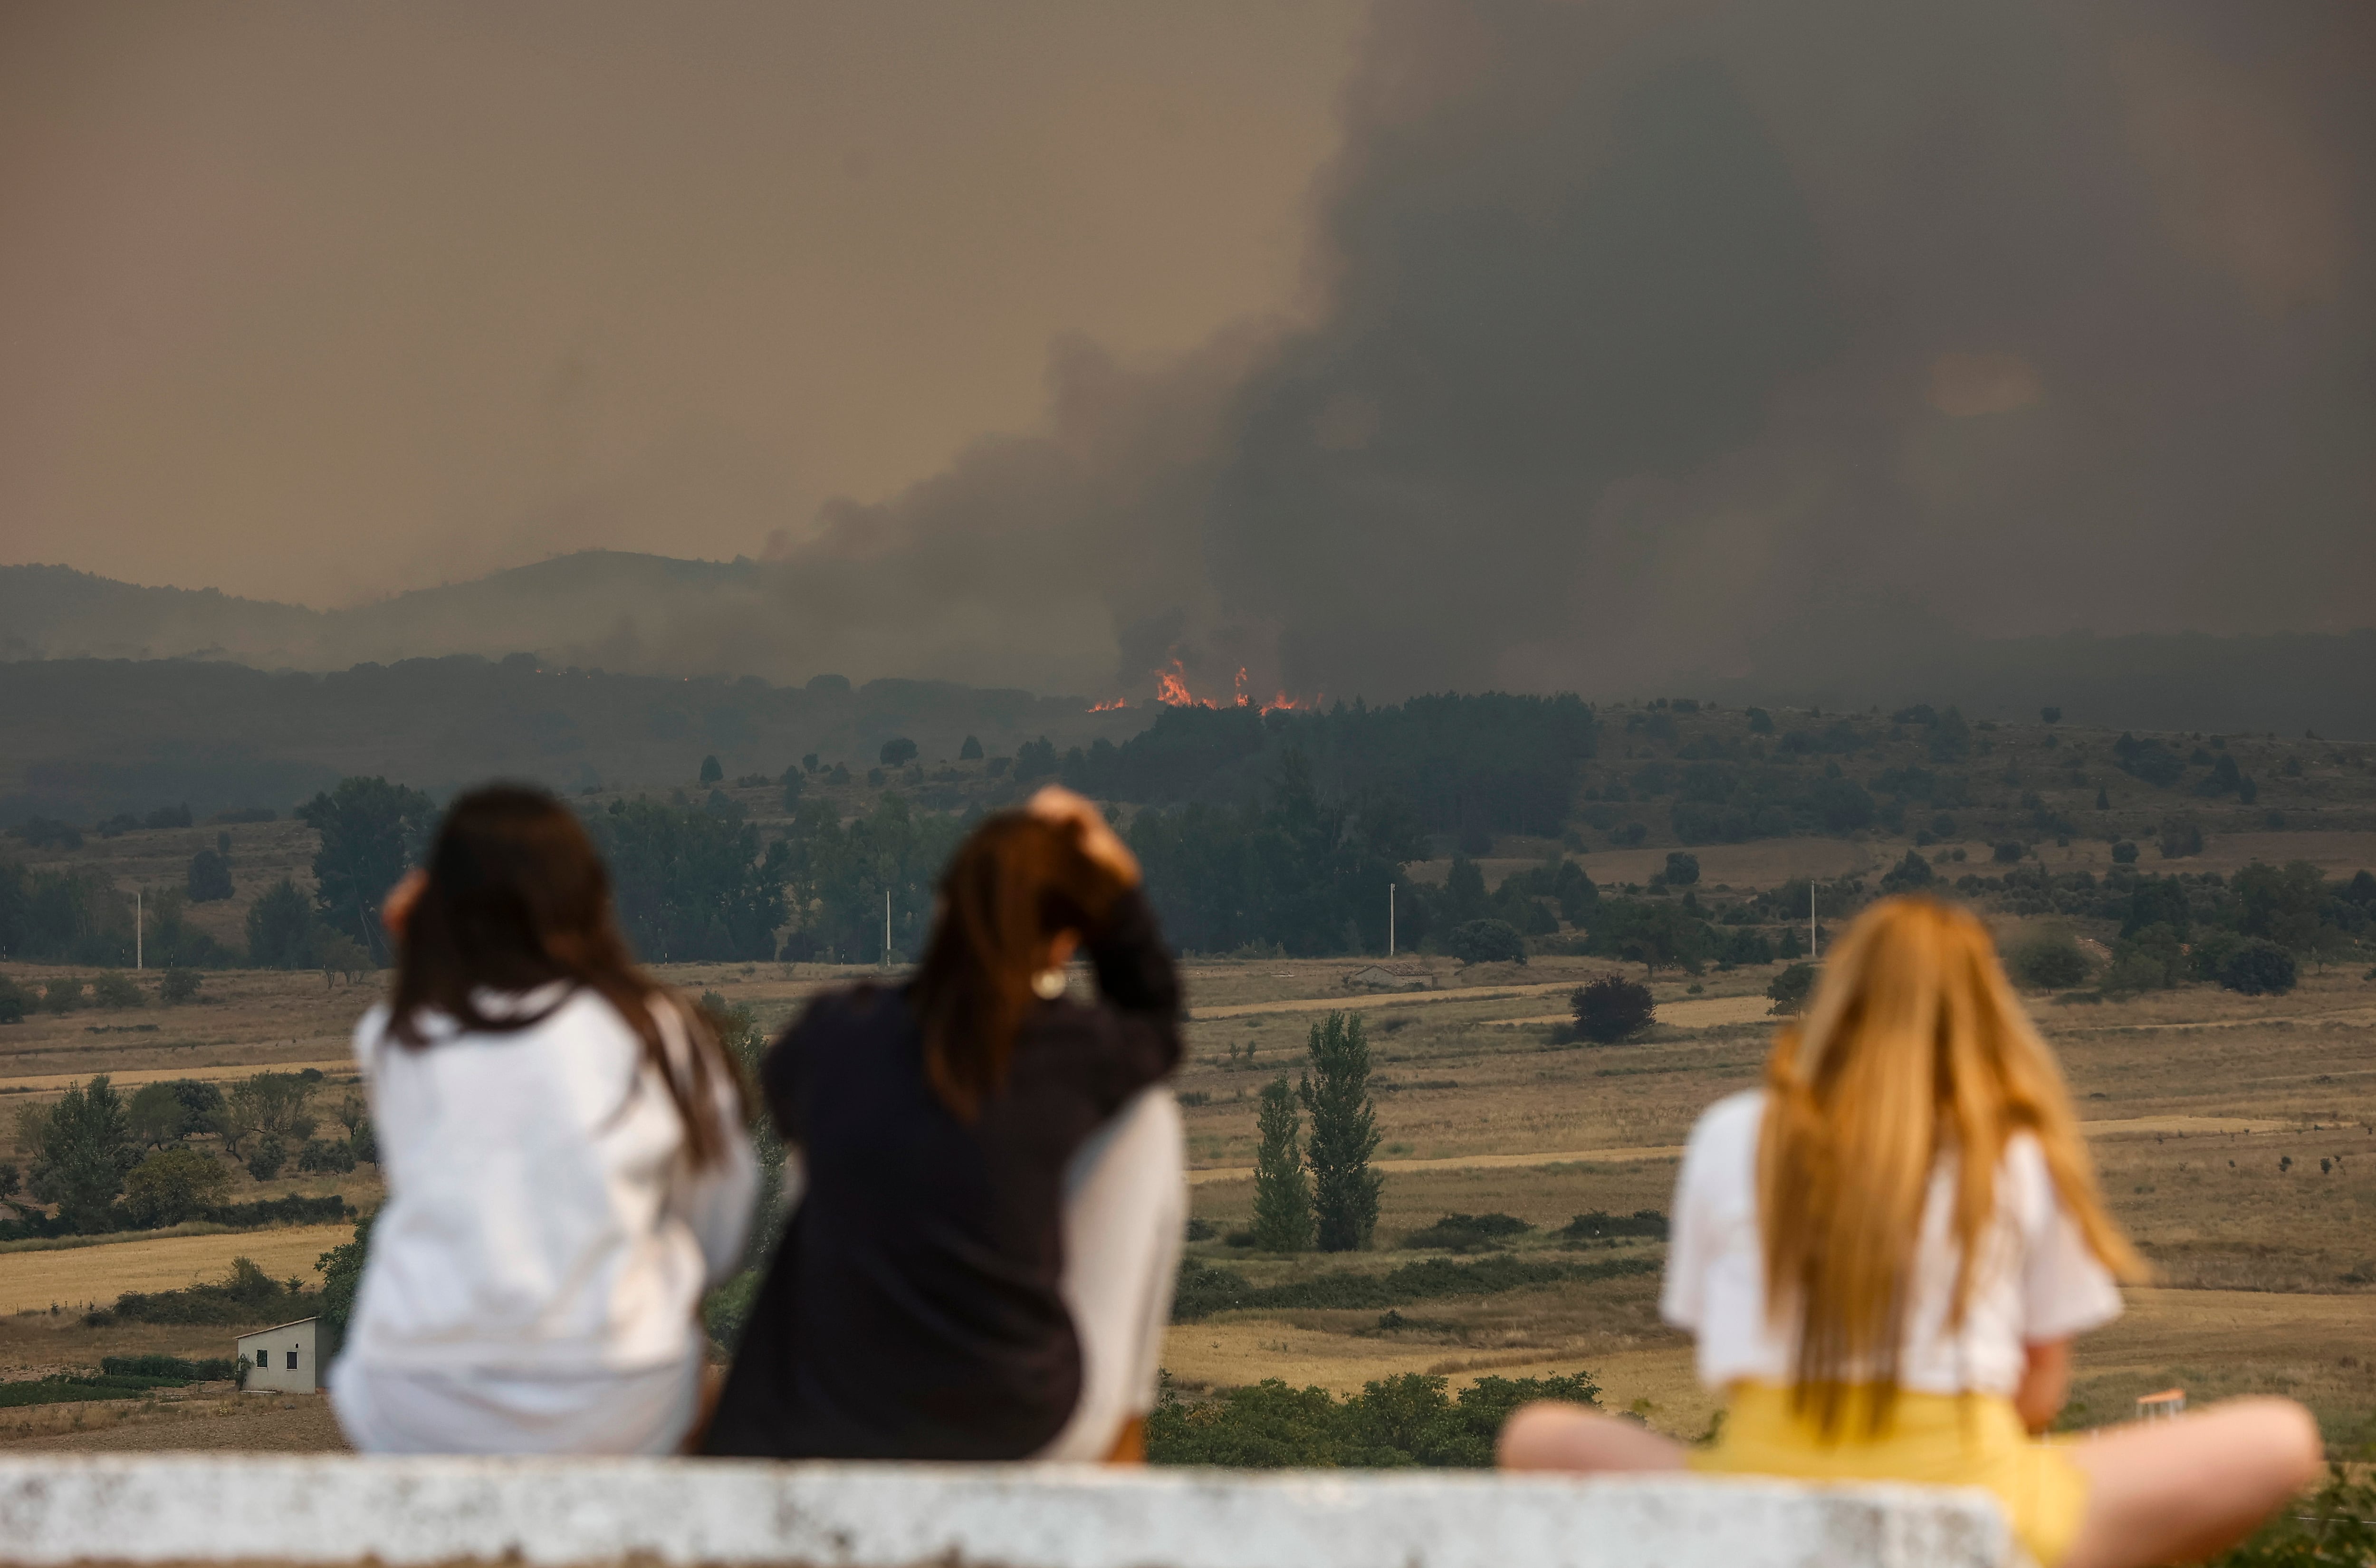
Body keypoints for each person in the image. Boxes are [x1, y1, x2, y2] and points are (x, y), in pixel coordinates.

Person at [1499, 897, 2322, 1568]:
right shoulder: (2014, 1147)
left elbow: (1721, 1355)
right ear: (1985, 1009)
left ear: (1839, 997)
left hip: (1755, 1513)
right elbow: (2040, 1393)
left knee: (1537, 1434)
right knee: (2281, 1439)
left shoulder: (1734, 1130)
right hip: (1980, 1511)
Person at [704, 785, 1183, 1461]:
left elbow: (786, 1091)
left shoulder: (838, 1035)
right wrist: (1119, 893)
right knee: (1149, 1116)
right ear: (1064, 941)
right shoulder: (1072, 1053)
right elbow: (1158, 1024)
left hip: (829, 1407)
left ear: (942, 909)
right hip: (1011, 1416)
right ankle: (1121, 1462)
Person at [328, 785, 756, 1455]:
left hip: (413, 1399)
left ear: (440, 906)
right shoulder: (660, 1031)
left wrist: (415, 938)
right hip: (616, 1395)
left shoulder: (395, 1036)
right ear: (590, 899)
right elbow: (719, 1236)